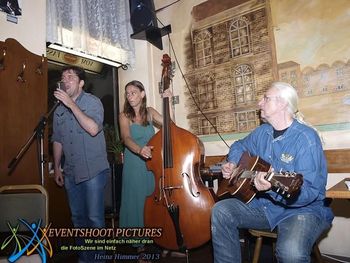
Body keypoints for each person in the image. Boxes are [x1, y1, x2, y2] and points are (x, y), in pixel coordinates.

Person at [211, 82, 334, 263]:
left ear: (283, 103)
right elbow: (239, 145)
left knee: (290, 253)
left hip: (303, 210)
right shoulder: (263, 132)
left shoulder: (306, 138)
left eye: (266, 98)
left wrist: (270, 187)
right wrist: (233, 162)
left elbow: (309, 192)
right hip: (265, 208)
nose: (259, 103)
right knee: (221, 210)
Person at [52, 66, 110, 261]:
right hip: (70, 172)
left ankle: (99, 259)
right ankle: (85, 259)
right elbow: (58, 139)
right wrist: (58, 166)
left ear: (81, 83)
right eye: (63, 77)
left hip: (94, 171)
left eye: (70, 77)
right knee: (78, 221)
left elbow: (93, 129)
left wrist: (71, 104)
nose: (65, 80)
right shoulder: (58, 110)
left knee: (95, 220)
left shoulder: (93, 103)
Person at [118, 80, 171, 252]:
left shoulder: (149, 112)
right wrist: (140, 150)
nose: (129, 95)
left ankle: (160, 239)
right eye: (127, 93)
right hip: (135, 163)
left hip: (152, 164)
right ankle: (140, 246)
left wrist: (168, 102)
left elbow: (171, 126)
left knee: (153, 201)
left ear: (142, 94)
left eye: (133, 92)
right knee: (136, 202)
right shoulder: (124, 116)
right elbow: (126, 139)